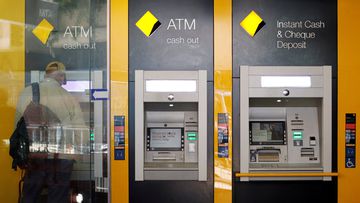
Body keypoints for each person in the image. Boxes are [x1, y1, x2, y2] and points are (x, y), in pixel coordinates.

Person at [14, 61, 87, 203]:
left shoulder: (27, 92)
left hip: (35, 155)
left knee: (30, 197)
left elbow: (18, 128)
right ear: (61, 77)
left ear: (45, 75)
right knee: (57, 197)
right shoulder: (68, 97)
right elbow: (80, 131)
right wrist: (76, 156)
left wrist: (21, 154)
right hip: (61, 158)